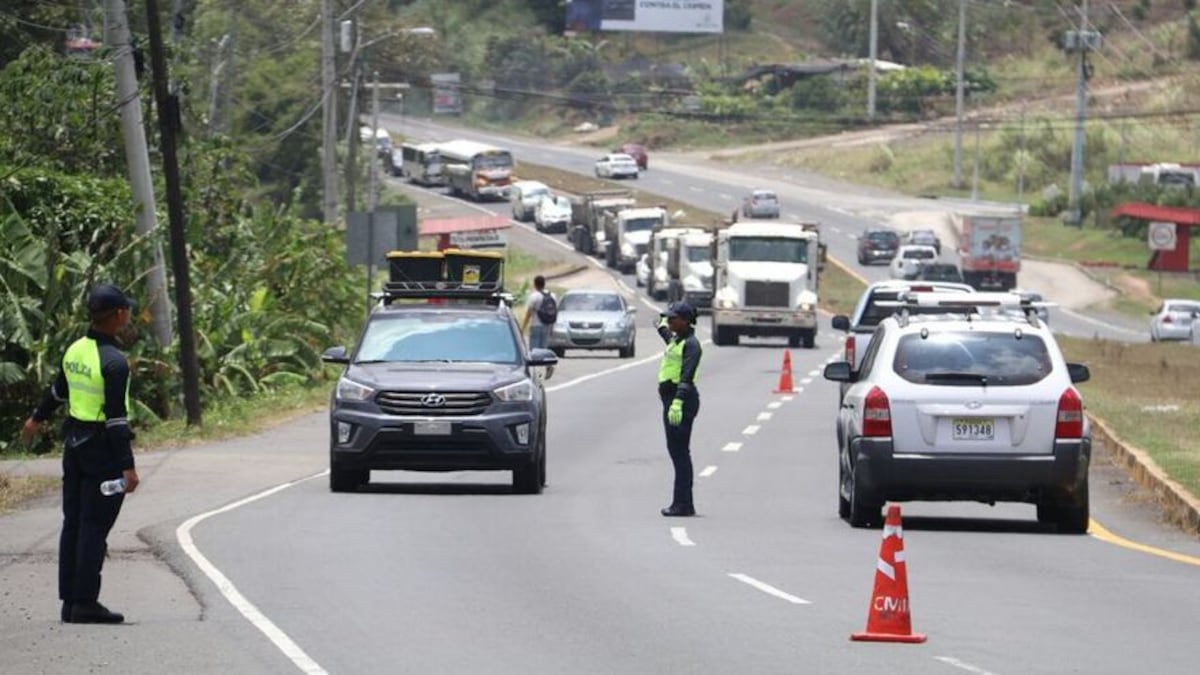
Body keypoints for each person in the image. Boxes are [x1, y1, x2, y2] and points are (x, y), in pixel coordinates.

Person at [21, 283, 141, 624]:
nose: (128, 314)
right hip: (102, 450)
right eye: (127, 310)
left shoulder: (75, 349)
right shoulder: (115, 361)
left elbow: (58, 392)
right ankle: (86, 601)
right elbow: (117, 420)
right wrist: (128, 468)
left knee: (73, 523)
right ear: (118, 315)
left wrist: (36, 419)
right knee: (94, 526)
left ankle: (70, 601)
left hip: (73, 445)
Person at [655, 301, 702, 517]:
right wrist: (661, 325)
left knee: (680, 453)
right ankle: (682, 502)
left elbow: (687, 375)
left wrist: (678, 402)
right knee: (676, 452)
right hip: (671, 398)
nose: (670, 321)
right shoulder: (677, 340)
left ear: (685, 321)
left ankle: (683, 503)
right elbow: (667, 337)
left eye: (674, 318)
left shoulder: (692, 345)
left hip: (680, 400)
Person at [520, 275, 555, 350]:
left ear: (535, 284)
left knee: (534, 350)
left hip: (536, 325)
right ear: (544, 284)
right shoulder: (552, 296)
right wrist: (552, 328)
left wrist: (523, 328)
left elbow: (528, 314)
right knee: (544, 349)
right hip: (547, 326)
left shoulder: (534, 296)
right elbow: (553, 313)